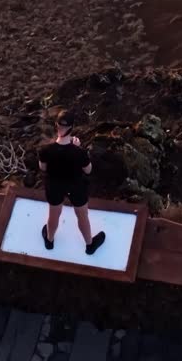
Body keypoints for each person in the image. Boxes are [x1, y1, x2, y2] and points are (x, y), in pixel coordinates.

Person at [37, 109, 106, 255]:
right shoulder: (79, 152)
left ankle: (49, 241)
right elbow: (88, 170)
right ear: (72, 127)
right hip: (76, 186)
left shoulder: (45, 150)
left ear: (56, 125)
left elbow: (43, 168)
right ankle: (90, 245)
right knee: (82, 216)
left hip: (54, 186)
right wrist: (78, 148)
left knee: (53, 215)